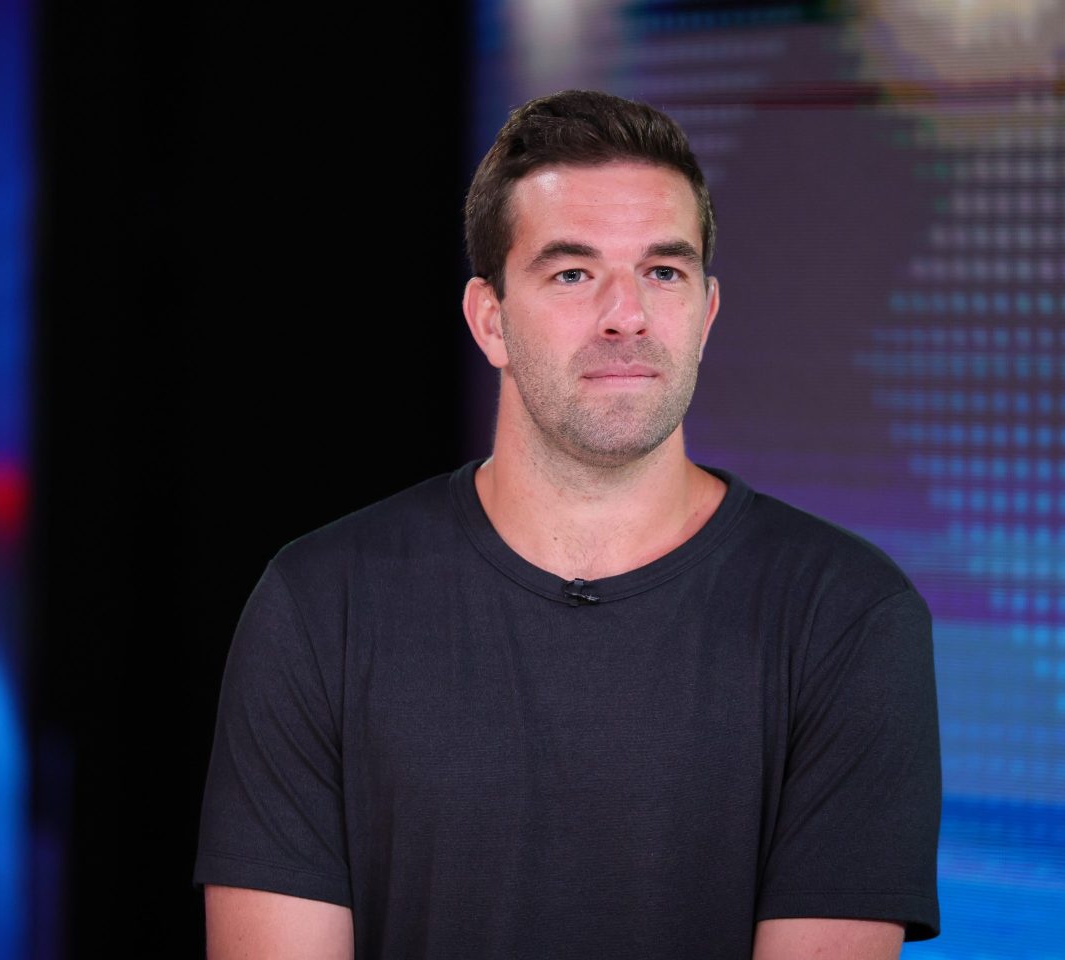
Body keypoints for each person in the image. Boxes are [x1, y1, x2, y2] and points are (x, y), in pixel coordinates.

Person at [195, 89, 940, 959]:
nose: (626, 314)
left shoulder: (845, 617)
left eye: (664, 271)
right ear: (491, 321)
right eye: (573, 273)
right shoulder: (322, 606)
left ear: (705, 314)